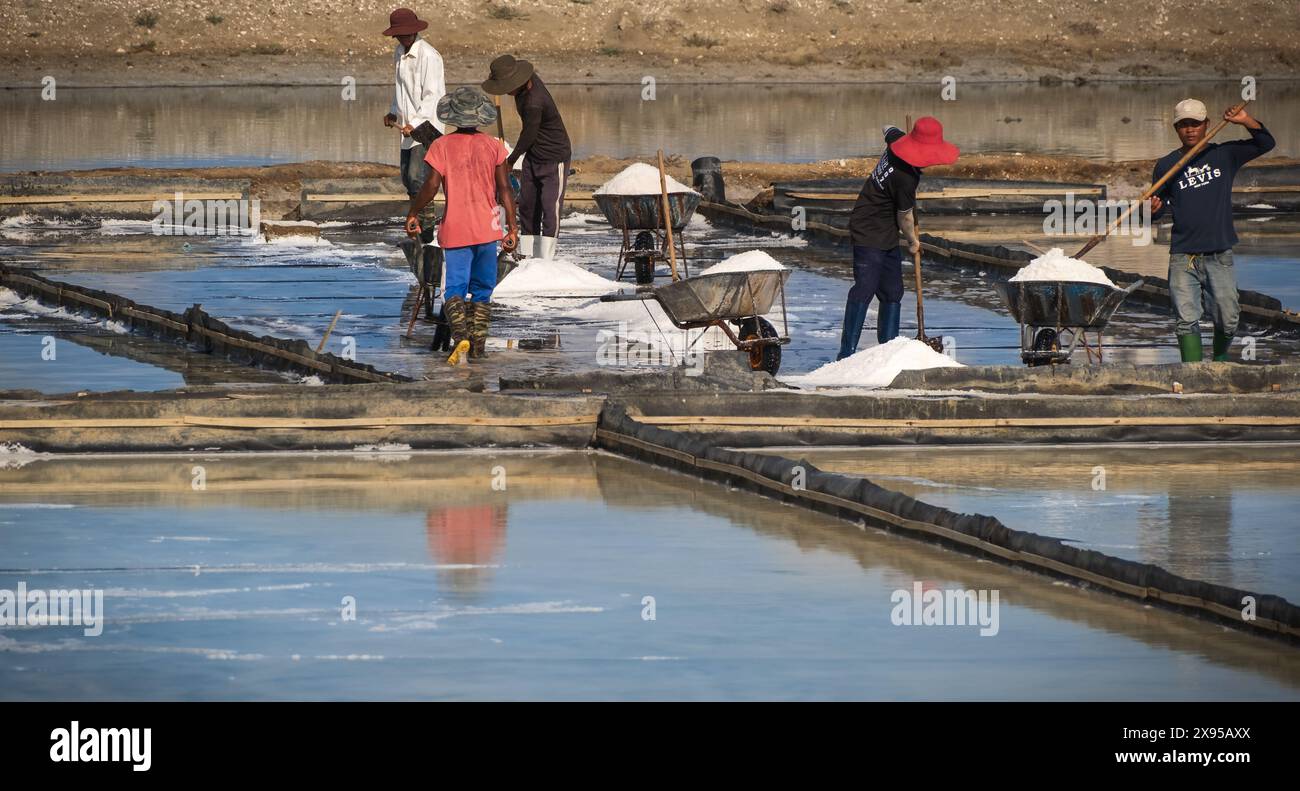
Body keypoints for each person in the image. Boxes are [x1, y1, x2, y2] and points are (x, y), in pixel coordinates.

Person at [1150, 100, 1275, 362]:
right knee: (1185, 319)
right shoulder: (1166, 166)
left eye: (1195, 123)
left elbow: (1266, 143)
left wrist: (1246, 120)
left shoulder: (1224, 155)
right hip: (1183, 255)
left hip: (1219, 253)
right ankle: (1193, 374)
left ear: (1206, 124)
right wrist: (1151, 209)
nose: (1190, 129)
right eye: (1184, 125)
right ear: (1176, 129)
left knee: (1229, 319)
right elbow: (1157, 212)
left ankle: (1218, 365)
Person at [406, 87, 520, 365]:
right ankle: (479, 347)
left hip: (456, 230)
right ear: (479, 116)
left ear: (453, 117)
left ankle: (461, 338)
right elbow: (505, 189)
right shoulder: (494, 146)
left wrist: (413, 212)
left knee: (454, 290)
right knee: (483, 289)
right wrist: (512, 228)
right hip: (487, 229)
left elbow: (431, 185)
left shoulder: (441, 146)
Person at [838, 117, 958, 360]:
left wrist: (899, 134)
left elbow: (887, 127)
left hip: (887, 232)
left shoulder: (897, 141)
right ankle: (846, 354)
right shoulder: (906, 178)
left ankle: (888, 351)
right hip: (868, 228)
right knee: (865, 288)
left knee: (893, 291)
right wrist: (913, 242)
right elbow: (905, 218)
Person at [481, 54, 572, 260]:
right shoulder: (523, 88)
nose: (506, 92)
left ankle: (546, 259)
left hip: (554, 156)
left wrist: (510, 160)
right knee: (528, 205)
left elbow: (529, 134)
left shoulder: (534, 101)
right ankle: (528, 256)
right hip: (534, 154)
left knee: (550, 206)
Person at [381, 7, 445, 237]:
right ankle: (416, 224)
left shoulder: (428, 56)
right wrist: (393, 113)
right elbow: (400, 90)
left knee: (419, 177)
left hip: (428, 126)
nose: (405, 38)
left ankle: (427, 232)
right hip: (408, 125)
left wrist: (415, 123)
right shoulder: (399, 52)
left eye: (408, 34)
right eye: (400, 35)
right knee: (407, 175)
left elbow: (433, 96)